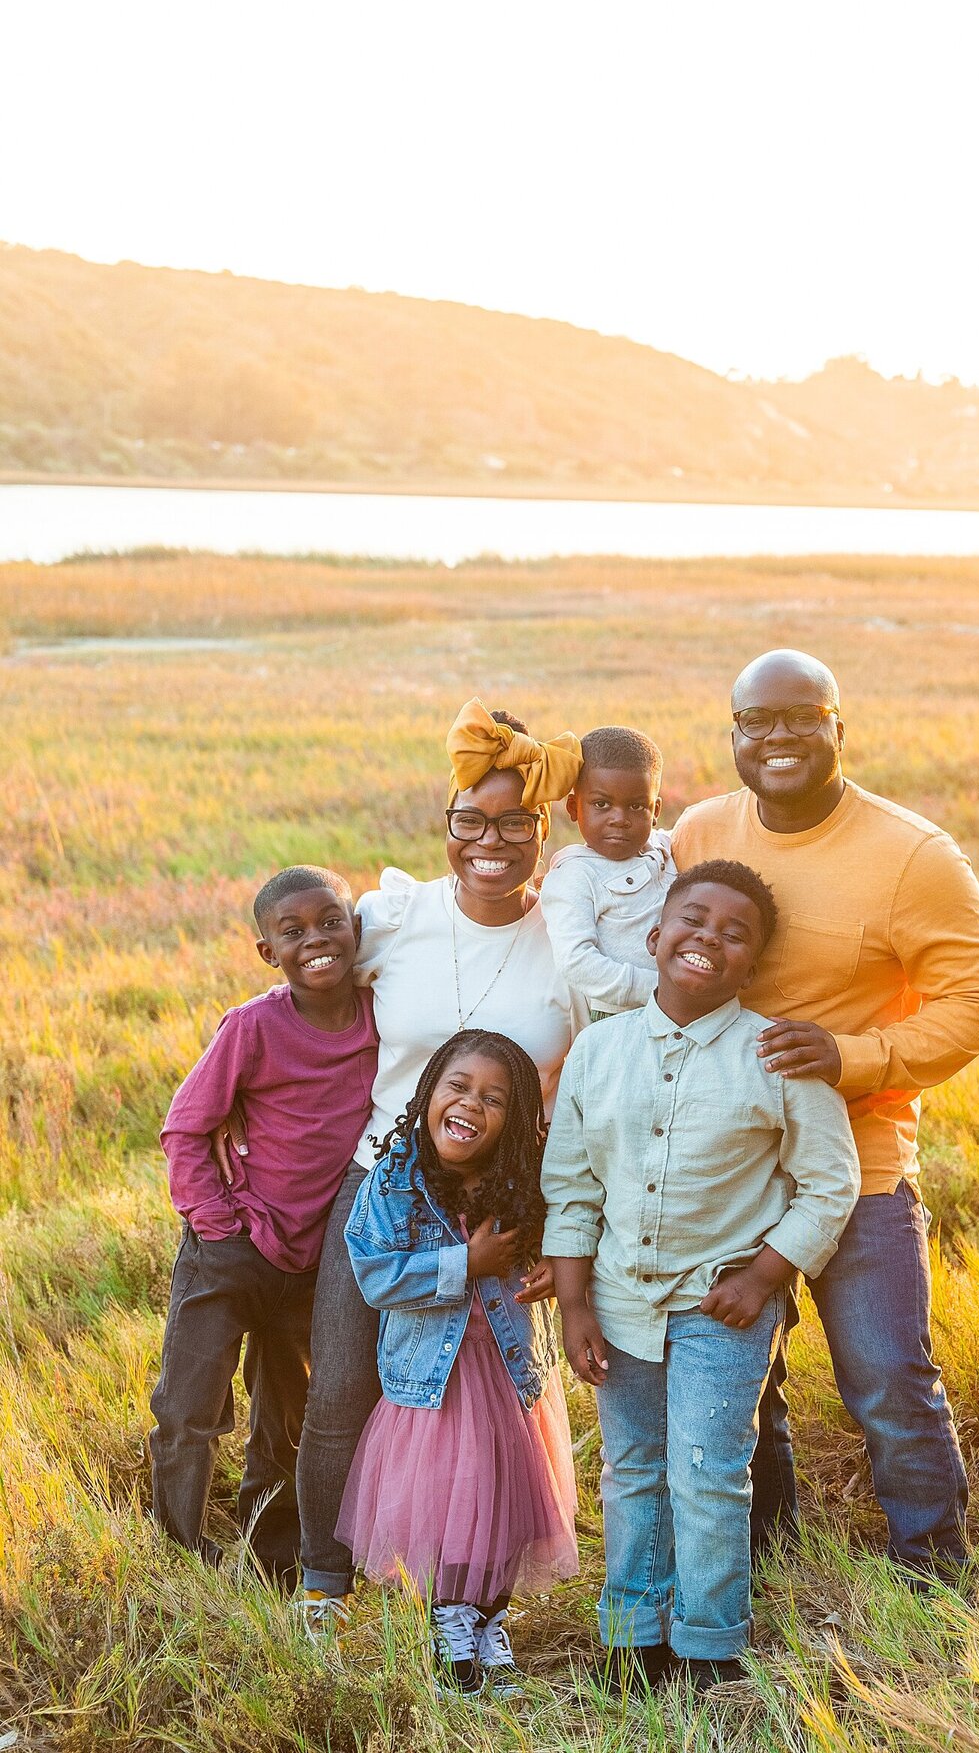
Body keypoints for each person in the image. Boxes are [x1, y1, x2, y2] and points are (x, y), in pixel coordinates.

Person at [671, 649, 979, 1581]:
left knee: (890, 1378)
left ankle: (932, 1570)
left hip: (860, 1164)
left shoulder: (915, 855)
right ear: (734, 734)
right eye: (755, 722)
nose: (777, 737)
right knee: (743, 1381)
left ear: (838, 729)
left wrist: (855, 1057)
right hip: (730, 1166)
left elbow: (978, 1004)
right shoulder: (702, 830)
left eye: (800, 717)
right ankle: (764, 1549)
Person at [290, 699, 587, 1636]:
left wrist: (562, 1231)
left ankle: (468, 1596)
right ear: (446, 823)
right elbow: (297, 985)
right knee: (345, 1384)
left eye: (514, 823)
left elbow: (602, 1079)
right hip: (383, 1186)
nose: (490, 841)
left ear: (542, 832)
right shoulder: (398, 916)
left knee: (490, 1395)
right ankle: (324, 1585)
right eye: (471, 820)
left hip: (504, 1201)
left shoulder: (569, 941)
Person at [542, 861, 859, 1693]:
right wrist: (574, 1300)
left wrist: (763, 1279)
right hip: (617, 1300)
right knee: (632, 1465)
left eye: (734, 933)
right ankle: (632, 1633)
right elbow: (571, 1186)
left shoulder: (777, 1055)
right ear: (654, 936)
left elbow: (831, 1182)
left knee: (708, 1469)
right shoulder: (598, 1051)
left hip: (724, 1308)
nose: (708, 939)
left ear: (752, 963)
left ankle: (710, 1645)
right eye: (693, 920)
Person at [150, 866, 378, 1583]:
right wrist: (214, 1222)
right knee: (190, 1408)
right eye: (293, 932)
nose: (316, 940)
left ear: (355, 928)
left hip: (314, 1264)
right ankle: (178, 1547)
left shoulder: (380, 1018)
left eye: (330, 921)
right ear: (267, 952)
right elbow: (186, 1128)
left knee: (288, 1413)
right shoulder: (254, 1026)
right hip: (231, 1251)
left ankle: (273, 1550)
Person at [338, 1030, 578, 1696]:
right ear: (429, 1093)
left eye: (493, 1098)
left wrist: (549, 1271)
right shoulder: (396, 1180)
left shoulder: (523, 1184)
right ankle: (450, 1621)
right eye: (459, 1086)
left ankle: (490, 1619)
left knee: (502, 1498)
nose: (470, 1104)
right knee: (447, 1506)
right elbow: (375, 1277)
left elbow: (559, 1244)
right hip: (431, 1384)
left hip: (507, 1374)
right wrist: (465, 1265)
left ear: (516, 1119)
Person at [539, 724, 675, 1019]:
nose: (619, 819)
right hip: (618, 1014)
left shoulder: (666, 848)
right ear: (574, 808)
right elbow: (576, 961)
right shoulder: (574, 875)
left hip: (683, 1007)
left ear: (656, 811)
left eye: (637, 806)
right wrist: (661, 988)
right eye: (601, 804)